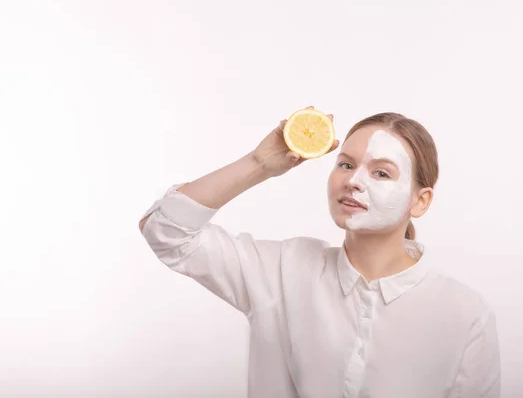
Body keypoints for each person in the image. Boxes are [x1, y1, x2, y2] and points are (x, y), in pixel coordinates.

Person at [138, 108, 501, 398]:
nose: (353, 180)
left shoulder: (464, 313)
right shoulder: (281, 272)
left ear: (420, 201)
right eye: (345, 164)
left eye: (381, 173)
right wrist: (259, 164)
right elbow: (166, 231)